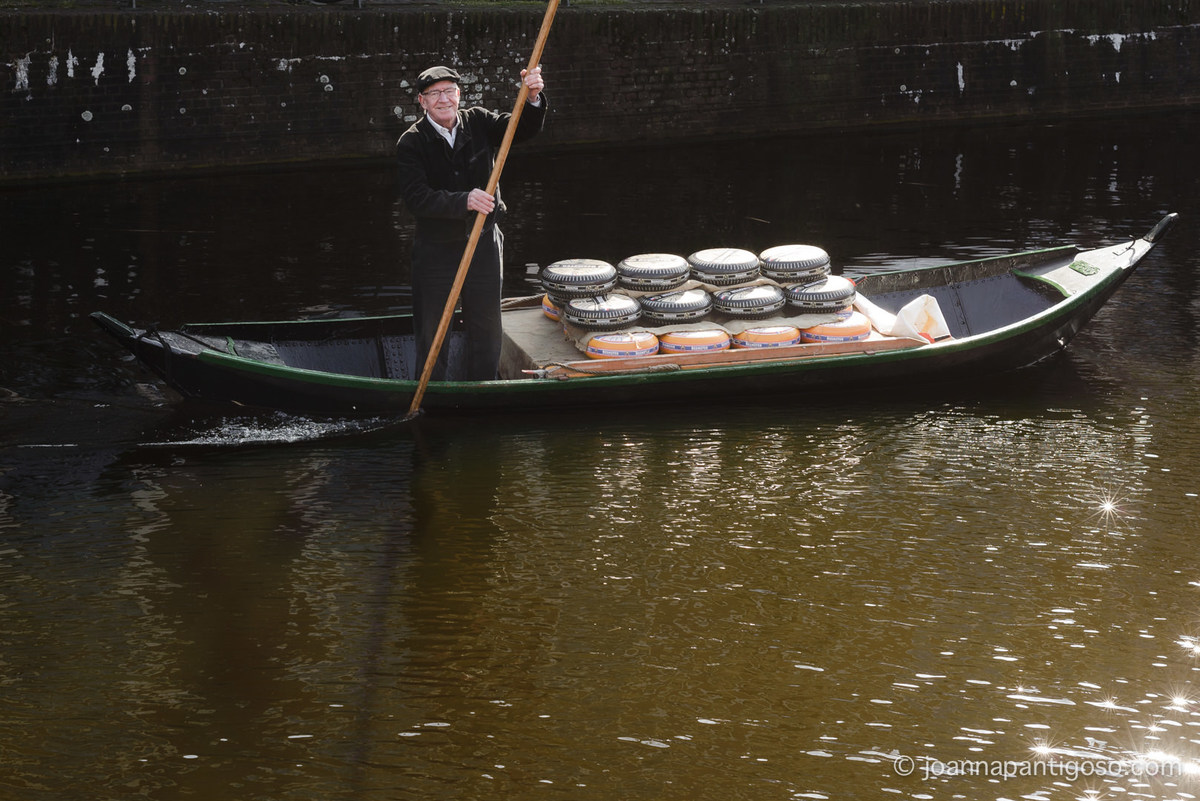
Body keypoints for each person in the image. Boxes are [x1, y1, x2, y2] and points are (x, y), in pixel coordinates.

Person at [395, 64, 547, 382]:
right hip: (436, 250)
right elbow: (416, 198)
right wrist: (462, 200)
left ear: (459, 95)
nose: (443, 99)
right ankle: (432, 393)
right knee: (434, 328)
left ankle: (483, 388)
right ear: (422, 102)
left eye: (449, 91)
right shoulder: (411, 143)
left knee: (487, 326)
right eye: (434, 94)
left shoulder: (477, 121)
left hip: (484, 242)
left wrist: (532, 97)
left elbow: (518, 129)